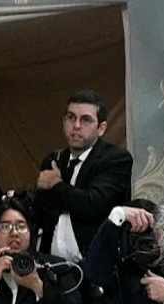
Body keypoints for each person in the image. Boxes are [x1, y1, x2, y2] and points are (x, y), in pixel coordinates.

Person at [33, 90, 134, 261]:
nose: (76, 125)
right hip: (51, 263)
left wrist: (56, 185)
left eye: (86, 120)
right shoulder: (54, 160)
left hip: (94, 266)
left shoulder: (115, 159)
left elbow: (93, 205)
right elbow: (41, 210)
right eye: (71, 117)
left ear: (101, 128)